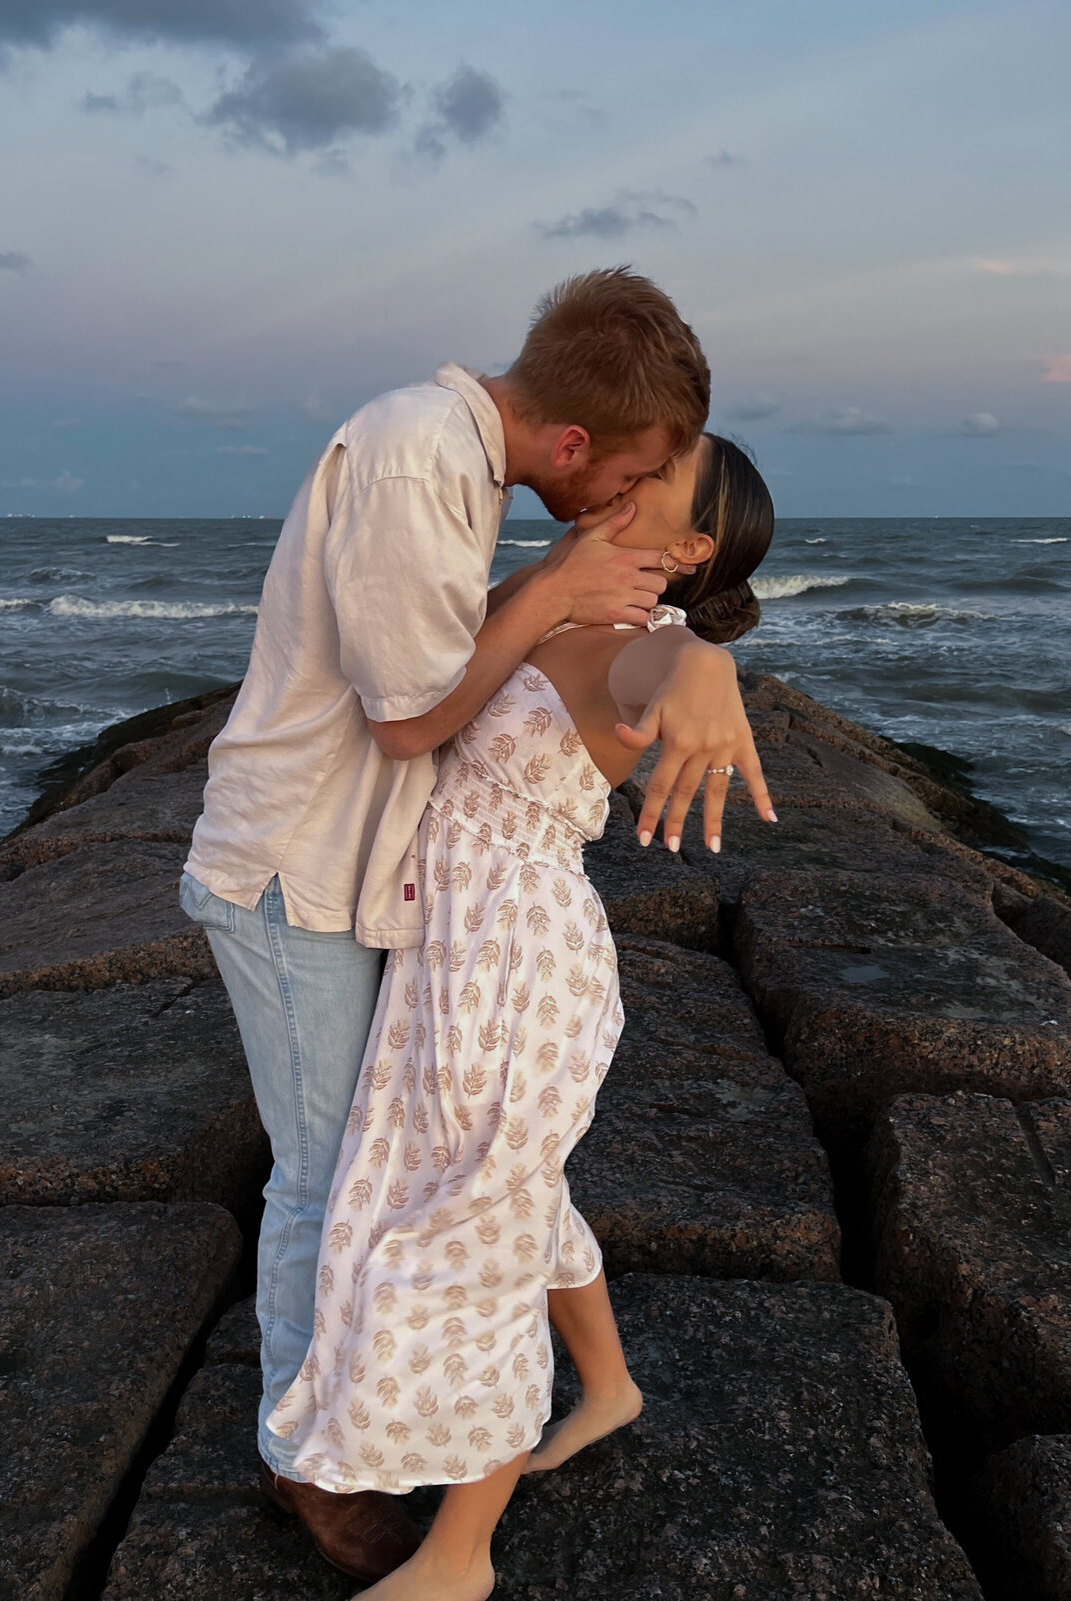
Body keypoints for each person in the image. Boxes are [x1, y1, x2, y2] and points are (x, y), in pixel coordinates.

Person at [180, 267, 772, 1583]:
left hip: (495, 949)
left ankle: (451, 1525)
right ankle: (387, 1438)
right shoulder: (443, 481)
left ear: (681, 553)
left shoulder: (609, 602)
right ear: (577, 447)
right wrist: (565, 589)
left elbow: (650, 661)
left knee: (458, 1211)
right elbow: (424, 706)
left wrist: (704, 656)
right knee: (401, 1185)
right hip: (364, 894)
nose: (626, 493)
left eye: (656, 488)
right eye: (637, 467)